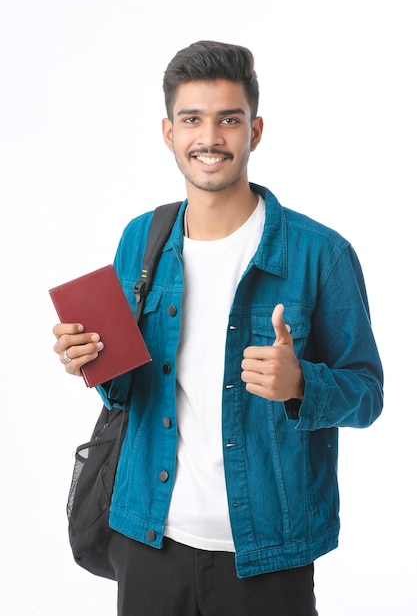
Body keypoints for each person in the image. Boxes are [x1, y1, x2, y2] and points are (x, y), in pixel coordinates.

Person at [53, 40, 383, 616]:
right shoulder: (141, 239)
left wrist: (302, 383)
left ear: (255, 131)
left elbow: (368, 395)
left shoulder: (320, 255)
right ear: (168, 132)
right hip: (147, 539)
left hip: (268, 555)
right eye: (192, 120)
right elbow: (128, 391)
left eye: (229, 119)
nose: (210, 137)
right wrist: (90, 361)